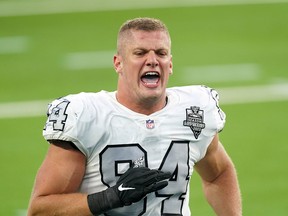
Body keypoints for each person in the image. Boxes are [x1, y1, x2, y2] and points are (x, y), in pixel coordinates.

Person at [27, 17, 242, 216]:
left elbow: (218, 174)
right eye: (140, 53)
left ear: (170, 63)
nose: (152, 60)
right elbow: (40, 209)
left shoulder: (194, 110)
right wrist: (111, 197)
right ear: (118, 63)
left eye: (161, 53)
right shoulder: (86, 116)